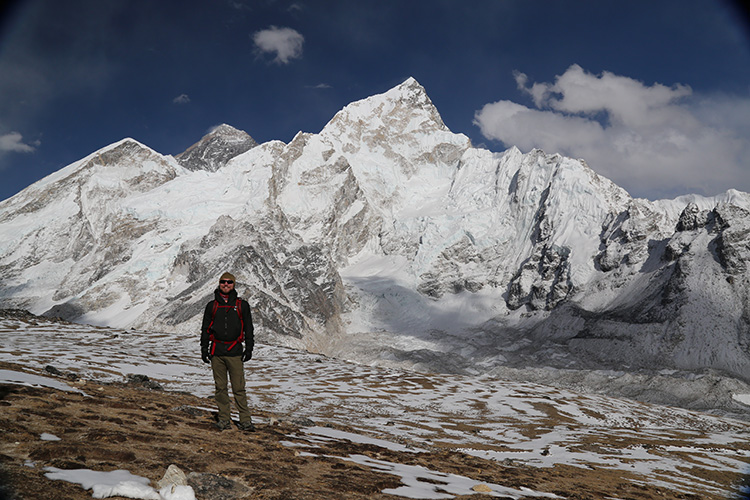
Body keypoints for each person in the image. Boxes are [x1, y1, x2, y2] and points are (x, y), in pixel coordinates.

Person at [201, 272, 255, 431]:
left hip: (235, 352)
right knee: (220, 388)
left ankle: (245, 421)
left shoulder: (242, 305)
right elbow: (205, 329)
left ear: (234, 284)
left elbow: (249, 328)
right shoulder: (211, 306)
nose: (226, 284)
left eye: (229, 282)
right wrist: (204, 348)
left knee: (239, 388)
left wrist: (249, 348)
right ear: (219, 283)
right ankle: (224, 420)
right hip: (217, 352)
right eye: (223, 282)